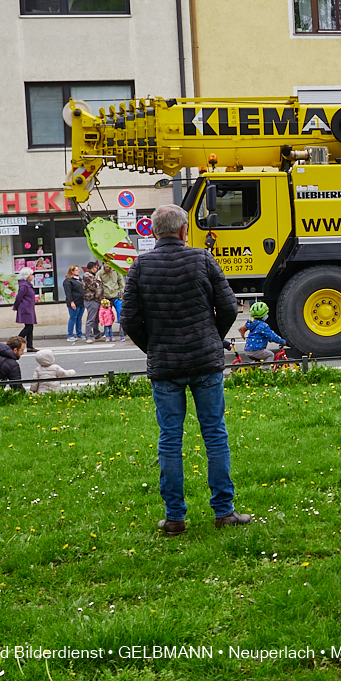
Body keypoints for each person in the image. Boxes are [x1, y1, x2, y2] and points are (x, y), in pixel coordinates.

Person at [120, 204, 249, 536]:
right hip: (205, 360)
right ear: (183, 230)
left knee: (170, 440)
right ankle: (224, 511)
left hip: (165, 364)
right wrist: (212, 337)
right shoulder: (203, 259)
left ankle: (175, 517)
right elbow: (229, 306)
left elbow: (129, 319)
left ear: (154, 232)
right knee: (215, 434)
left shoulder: (140, 266)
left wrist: (153, 346)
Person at [12, 267, 38, 352]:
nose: (32, 276)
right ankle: (15, 341)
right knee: (28, 327)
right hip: (25, 308)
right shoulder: (24, 286)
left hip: (29, 307)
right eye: (31, 275)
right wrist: (15, 306)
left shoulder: (27, 285)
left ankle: (30, 346)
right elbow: (19, 297)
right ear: (26, 276)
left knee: (30, 326)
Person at [101, 261, 126, 342]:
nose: (107, 265)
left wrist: (121, 292)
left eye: (108, 263)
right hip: (106, 297)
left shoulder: (116, 271)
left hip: (116, 296)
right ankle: (108, 334)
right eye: (105, 263)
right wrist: (102, 295)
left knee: (121, 315)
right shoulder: (100, 273)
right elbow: (98, 285)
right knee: (107, 316)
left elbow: (121, 283)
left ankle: (122, 334)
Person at [82, 261, 104, 343]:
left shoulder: (92, 275)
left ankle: (97, 335)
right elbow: (93, 287)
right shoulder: (87, 275)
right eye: (96, 267)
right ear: (93, 268)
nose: (97, 269)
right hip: (91, 299)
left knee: (96, 319)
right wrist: (98, 281)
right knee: (91, 319)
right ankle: (88, 336)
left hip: (96, 299)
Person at [63, 265, 85, 342]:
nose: (78, 271)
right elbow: (68, 293)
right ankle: (70, 335)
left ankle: (79, 333)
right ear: (72, 271)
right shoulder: (68, 281)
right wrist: (71, 302)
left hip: (81, 302)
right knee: (73, 318)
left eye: (78, 270)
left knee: (79, 318)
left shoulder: (79, 279)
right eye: (76, 270)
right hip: (74, 302)